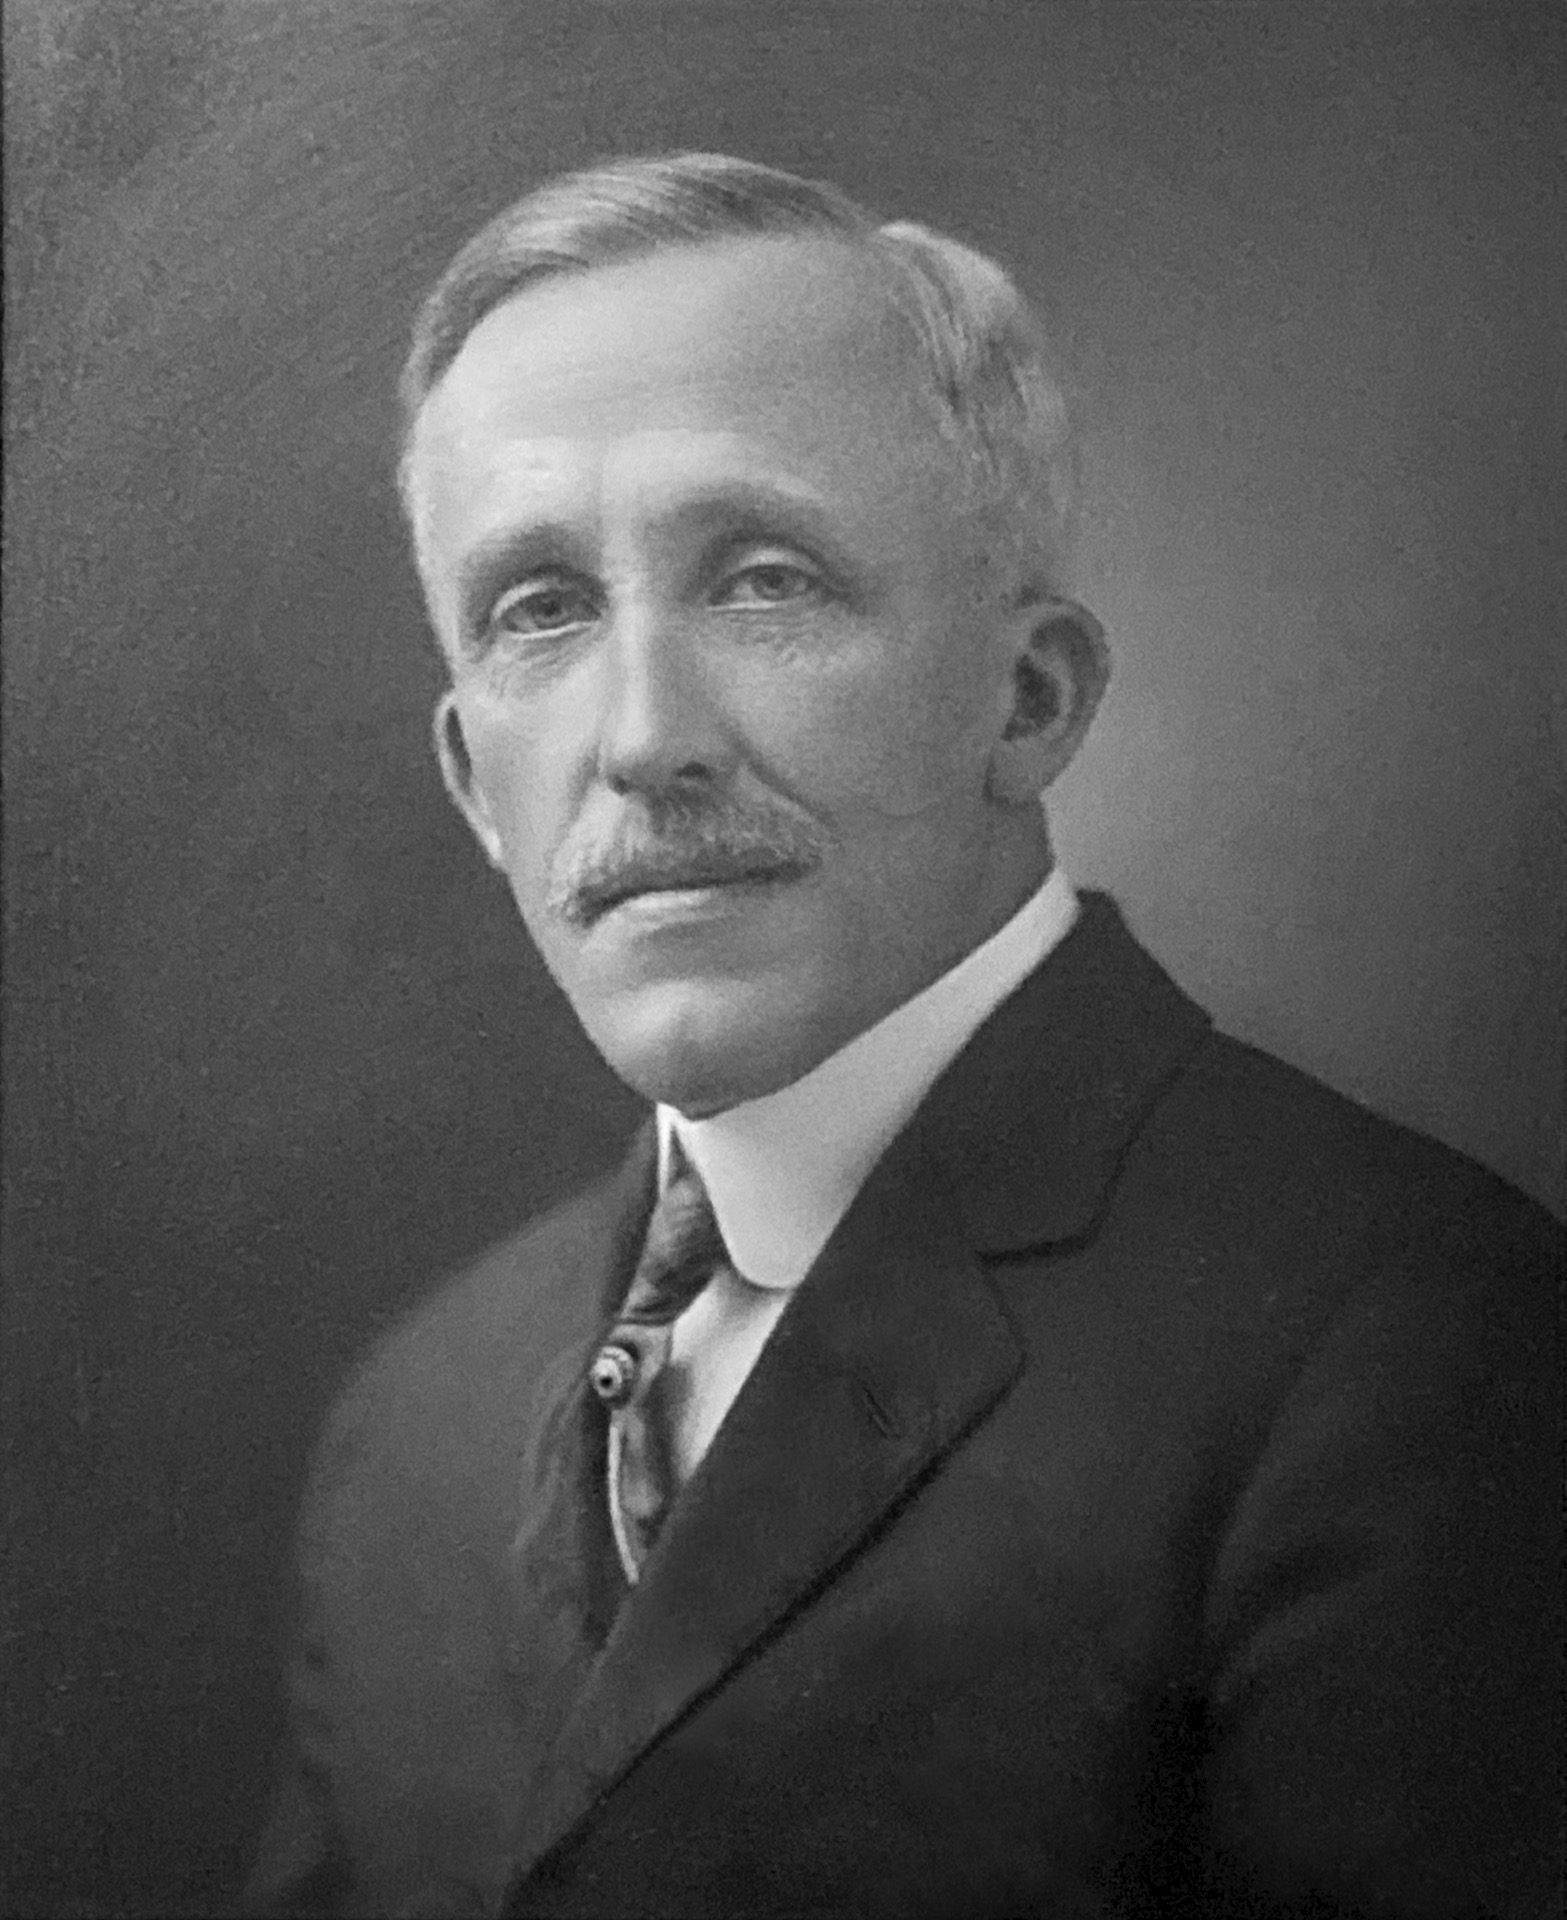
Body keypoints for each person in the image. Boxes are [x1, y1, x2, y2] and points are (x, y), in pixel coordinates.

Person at [244, 153, 1562, 1919]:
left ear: (1029, 700)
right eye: (539, 611)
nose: (642, 740)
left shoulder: (1417, 1345)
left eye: (763, 579)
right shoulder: (418, 1422)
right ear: (477, 784)